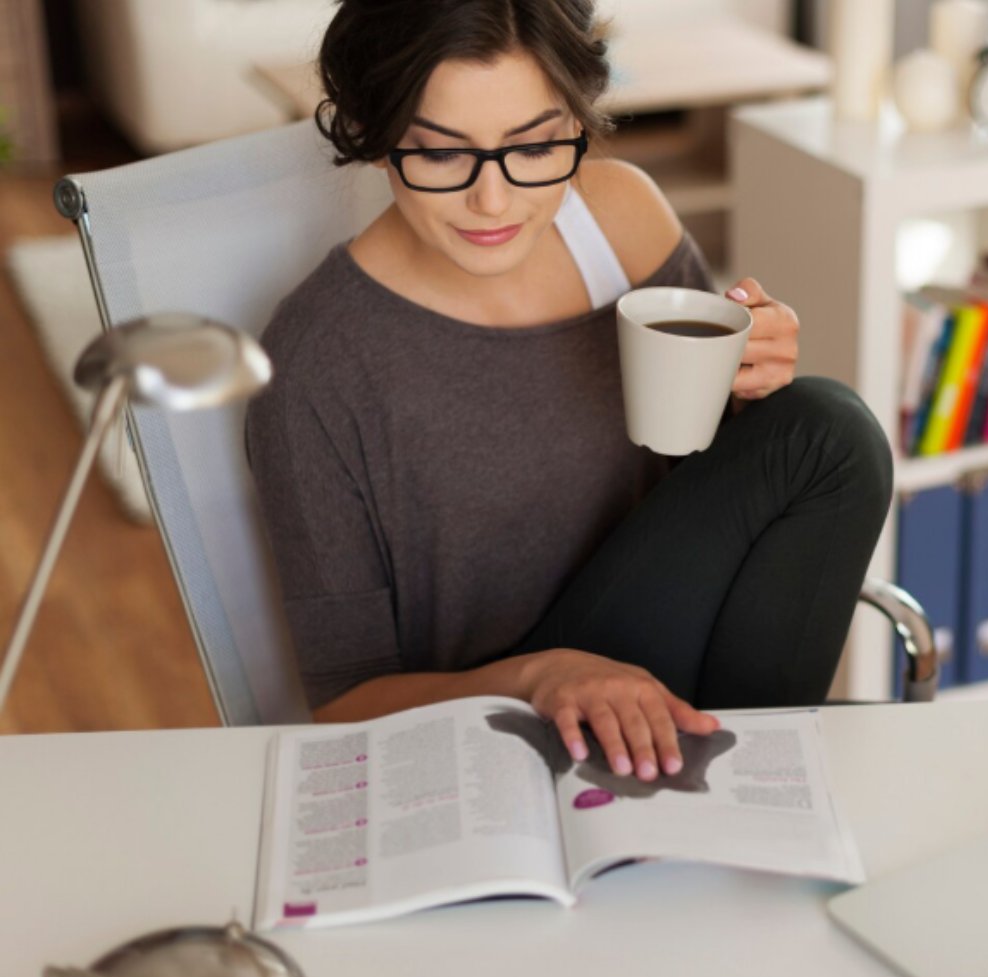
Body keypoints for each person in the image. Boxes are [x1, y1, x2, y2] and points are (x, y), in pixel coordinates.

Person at [244, 0, 892, 786]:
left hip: (678, 678)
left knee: (824, 430)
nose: (494, 201)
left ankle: (726, 785)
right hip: (505, 730)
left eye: (535, 144)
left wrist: (754, 374)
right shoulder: (317, 364)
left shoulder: (617, 221)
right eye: (442, 154)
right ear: (378, 137)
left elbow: (711, 474)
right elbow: (345, 709)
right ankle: (739, 789)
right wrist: (541, 677)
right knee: (826, 433)